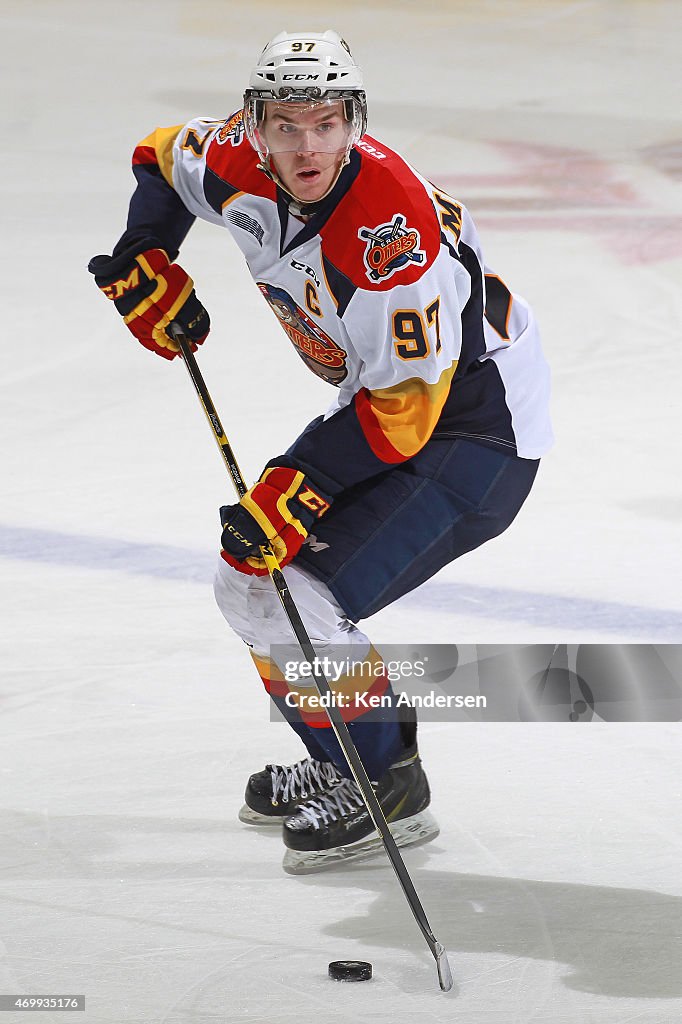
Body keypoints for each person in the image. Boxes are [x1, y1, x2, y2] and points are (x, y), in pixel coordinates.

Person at [89, 30, 553, 873]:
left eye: (328, 122)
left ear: (356, 120)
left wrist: (294, 485)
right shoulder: (236, 153)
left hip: (476, 432)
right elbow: (158, 158)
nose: (309, 146)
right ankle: (345, 757)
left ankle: (387, 785)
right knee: (252, 584)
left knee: (290, 591)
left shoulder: (388, 234)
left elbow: (407, 414)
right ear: (256, 124)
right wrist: (145, 254)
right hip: (389, 405)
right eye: (287, 124)